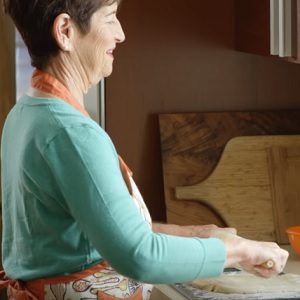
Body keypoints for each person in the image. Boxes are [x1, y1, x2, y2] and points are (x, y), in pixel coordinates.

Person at [0, 0, 289, 299]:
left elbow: (99, 233)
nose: (121, 34)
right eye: (111, 18)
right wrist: (239, 251)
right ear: (65, 31)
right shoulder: (71, 133)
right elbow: (140, 256)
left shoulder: (27, 112)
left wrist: (198, 235)